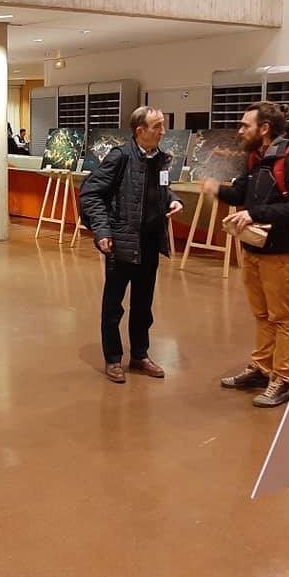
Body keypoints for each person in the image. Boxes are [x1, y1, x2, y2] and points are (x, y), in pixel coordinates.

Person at [202, 101, 289, 408]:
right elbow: (241, 193)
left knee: (283, 317)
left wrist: (254, 214)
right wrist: (216, 189)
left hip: (279, 253)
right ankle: (262, 368)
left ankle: (283, 378)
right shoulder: (255, 158)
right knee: (262, 315)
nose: (240, 131)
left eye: (245, 125)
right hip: (252, 248)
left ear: (264, 128)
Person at [79, 106, 184, 384]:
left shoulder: (160, 159)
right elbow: (91, 193)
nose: (163, 131)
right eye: (157, 126)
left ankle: (140, 355)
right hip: (121, 243)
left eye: (163, 125)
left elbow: (160, 189)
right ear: (140, 131)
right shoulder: (120, 156)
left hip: (149, 242)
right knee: (113, 306)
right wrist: (102, 230)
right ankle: (113, 358)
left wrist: (173, 199)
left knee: (143, 304)